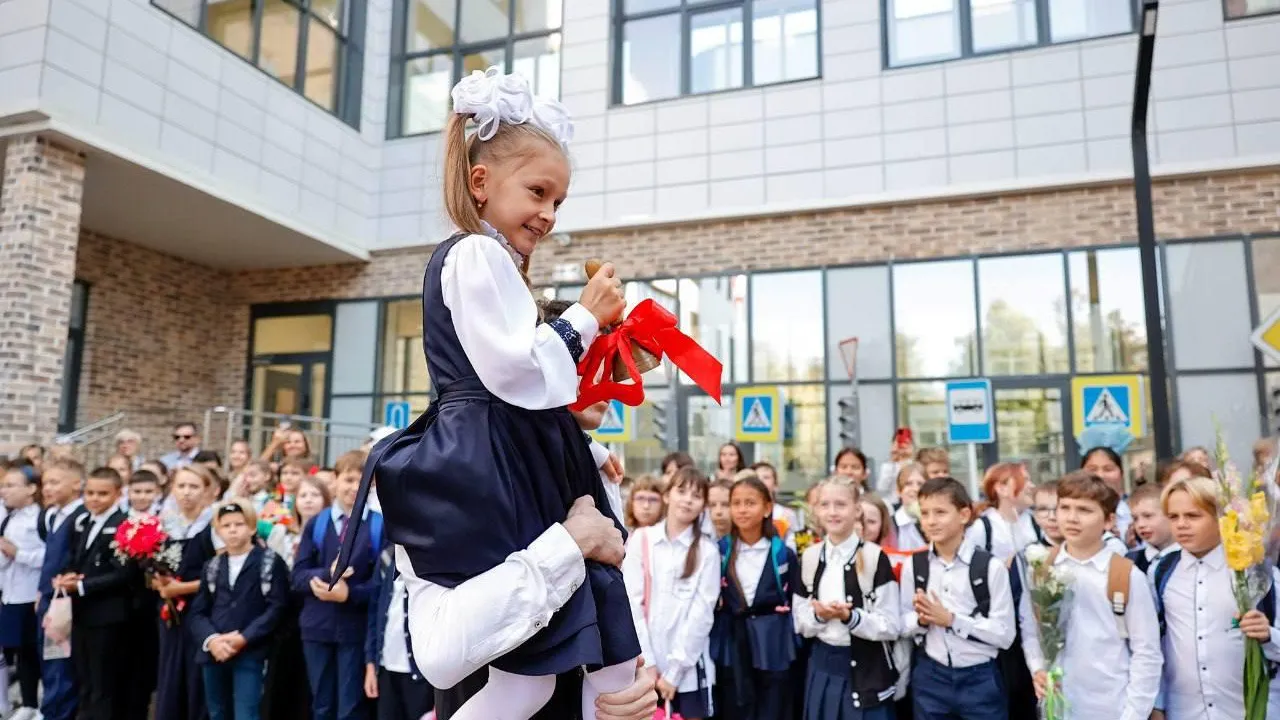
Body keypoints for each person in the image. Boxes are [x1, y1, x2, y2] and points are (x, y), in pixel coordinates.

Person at [336, 66, 657, 720]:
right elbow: (517, 373)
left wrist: (586, 457)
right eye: (539, 191)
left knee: (529, 681)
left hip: (493, 450)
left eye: (559, 201)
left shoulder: (487, 264)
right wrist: (587, 315)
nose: (548, 213)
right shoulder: (474, 257)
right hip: (487, 455)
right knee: (533, 672)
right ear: (481, 183)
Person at [1023, 471, 1160, 720]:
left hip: (1110, 706)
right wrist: (1037, 669)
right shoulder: (1042, 567)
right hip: (1058, 706)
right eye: (1065, 508)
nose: (1072, 518)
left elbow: (1147, 651)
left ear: (1108, 521)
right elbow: (1032, 629)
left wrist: (1133, 714)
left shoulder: (1124, 575)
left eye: (1085, 510)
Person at [1151, 474, 1280, 719]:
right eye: (1173, 517)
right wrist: (1158, 703)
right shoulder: (1161, 571)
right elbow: (1155, 644)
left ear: (1222, 517)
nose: (1181, 524)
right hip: (1184, 711)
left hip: (1250, 710)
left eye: (1193, 516)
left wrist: (1268, 636)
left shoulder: (1254, 571)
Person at [901, 477, 1015, 720]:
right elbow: (901, 622)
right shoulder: (915, 564)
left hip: (980, 677)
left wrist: (952, 620)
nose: (931, 521)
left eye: (940, 512)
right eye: (925, 513)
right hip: (931, 674)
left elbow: (1005, 634)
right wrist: (921, 620)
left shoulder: (989, 567)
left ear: (964, 515)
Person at [795, 476, 901, 720]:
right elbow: (799, 621)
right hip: (823, 663)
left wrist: (851, 617)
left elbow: (891, 625)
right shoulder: (809, 558)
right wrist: (819, 615)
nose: (832, 512)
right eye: (825, 505)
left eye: (841, 505)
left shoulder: (875, 558)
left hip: (865, 667)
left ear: (857, 510)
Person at [621, 467, 718, 720]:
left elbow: (702, 615)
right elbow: (632, 603)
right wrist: (650, 665)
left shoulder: (707, 551)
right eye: (681, 491)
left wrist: (674, 673)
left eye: (696, 496)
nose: (687, 499)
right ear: (667, 495)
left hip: (689, 674)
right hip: (642, 668)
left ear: (703, 505)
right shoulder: (643, 539)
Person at [293, 451, 381, 720]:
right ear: (336, 480)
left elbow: (380, 587)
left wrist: (349, 594)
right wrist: (324, 575)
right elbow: (297, 576)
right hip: (317, 627)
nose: (355, 487)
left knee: (350, 706)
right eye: (349, 479)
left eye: (363, 480)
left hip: (355, 630)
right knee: (321, 703)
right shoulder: (317, 524)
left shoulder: (379, 526)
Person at [189, 500, 290, 720]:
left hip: (251, 652)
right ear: (218, 531)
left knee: (247, 712)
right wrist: (212, 640)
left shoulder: (269, 562)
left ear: (252, 527)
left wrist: (245, 637)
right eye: (226, 526)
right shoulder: (212, 566)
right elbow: (197, 611)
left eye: (239, 524)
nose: (233, 530)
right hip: (214, 653)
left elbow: (277, 607)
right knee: (217, 711)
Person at [712, 476, 801, 720]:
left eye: (750, 503)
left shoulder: (783, 554)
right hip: (733, 642)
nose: (742, 510)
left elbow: (794, 600)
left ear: (767, 508)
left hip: (774, 642)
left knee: (774, 705)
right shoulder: (720, 551)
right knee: (734, 704)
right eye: (736, 503)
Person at [52, 467, 137, 720]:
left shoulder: (123, 526)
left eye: (102, 493)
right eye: (89, 493)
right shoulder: (84, 522)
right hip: (82, 613)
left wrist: (80, 586)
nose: (94, 499)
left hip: (108, 616)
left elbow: (123, 573)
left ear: (118, 494)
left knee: (103, 680)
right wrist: (67, 575)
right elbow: (78, 560)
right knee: (84, 676)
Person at [155, 464, 221, 720]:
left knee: (197, 677)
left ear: (207, 491)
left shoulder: (213, 526)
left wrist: (182, 588)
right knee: (171, 673)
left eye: (194, 487)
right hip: (170, 613)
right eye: (181, 486)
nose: (187, 493)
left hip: (203, 611)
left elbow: (222, 573)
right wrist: (159, 584)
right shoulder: (166, 525)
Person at [364, 524, 434, 720]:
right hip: (386, 666)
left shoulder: (432, 561)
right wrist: (371, 664)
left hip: (420, 671)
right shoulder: (387, 558)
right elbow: (374, 613)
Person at [37, 457, 88, 720]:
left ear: (77, 484)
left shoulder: (81, 517)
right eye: (46, 482)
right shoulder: (52, 515)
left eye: (55, 482)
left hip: (64, 601)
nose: (48, 488)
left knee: (60, 665)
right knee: (47, 662)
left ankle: (59, 715)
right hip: (47, 597)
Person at [0, 464, 45, 719]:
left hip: (32, 595)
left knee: (33, 649)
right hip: (11, 592)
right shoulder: (10, 517)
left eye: (10, 485)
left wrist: (20, 554)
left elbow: (49, 556)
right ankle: (27, 702)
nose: (4, 490)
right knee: (18, 650)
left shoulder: (40, 518)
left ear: (30, 489)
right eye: (3, 485)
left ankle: (39, 704)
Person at [966, 462, 1034, 561]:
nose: (1032, 486)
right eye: (1025, 480)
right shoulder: (983, 527)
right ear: (1002, 489)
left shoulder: (1035, 522)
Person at [1080, 444, 1133, 547]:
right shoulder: (1072, 513)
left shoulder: (1134, 510)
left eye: (1108, 469)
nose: (1100, 475)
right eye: (1092, 469)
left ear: (1121, 473)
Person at [1125, 481, 1177, 574]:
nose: (1140, 524)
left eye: (1148, 516)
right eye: (1135, 518)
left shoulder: (1187, 558)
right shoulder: (1131, 561)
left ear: (1170, 515)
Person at [755, 462, 799, 549]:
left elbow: (794, 545)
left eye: (766, 477)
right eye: (756, 477)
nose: (761, 481)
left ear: (775, 485)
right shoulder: (746, 512)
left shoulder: (787, 514)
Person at [889, 463, 927, 550]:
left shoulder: (932, 521)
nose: (915, 489)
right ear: (899, 491)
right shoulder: (890, 525)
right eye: (908, 484)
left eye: (920, 484)